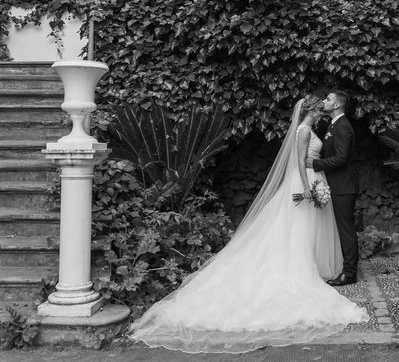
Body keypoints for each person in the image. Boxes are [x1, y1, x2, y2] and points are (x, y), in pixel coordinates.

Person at [128, 95, 369, 354]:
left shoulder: (320, 128)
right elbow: (300, 161)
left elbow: (326, 156)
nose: (324, 103)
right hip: (305, 181)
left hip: (316, 178)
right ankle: (300, 266)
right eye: (320, 102)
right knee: (298, 227)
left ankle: (320, 265)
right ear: (311, 109)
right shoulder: (304, 130)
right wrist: (308, 185)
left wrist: (315, 173)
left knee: (310, 227)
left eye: (329, 99)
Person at [307, 91, 359, 286]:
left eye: (328, 99)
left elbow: (341, 158)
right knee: (341, 229)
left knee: (346, 230)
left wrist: (315, 164)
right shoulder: (333, 124)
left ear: (337, 105)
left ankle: (350, 274)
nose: (324, 101)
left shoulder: (343, 126)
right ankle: (344, 268)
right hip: (336, 185)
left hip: (343, 186)